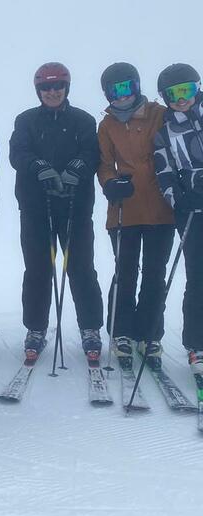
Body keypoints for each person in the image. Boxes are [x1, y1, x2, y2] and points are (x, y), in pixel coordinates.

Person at [9, 62, 105, 360]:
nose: (52, 92)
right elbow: (18, 153)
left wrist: (78, 167)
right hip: (36, 207)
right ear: (39, 91)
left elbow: (92, 152)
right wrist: (40, 169)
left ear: (67, 88)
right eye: (46, 88)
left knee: (80, 268)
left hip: (75, 207)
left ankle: (90, 328)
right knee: (38, 269)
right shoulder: (26, 120)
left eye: (58, 87)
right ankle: (36, 328)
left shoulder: (83, 120)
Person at [97, 63, 174, 370]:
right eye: (114, 91)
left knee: (155, 273)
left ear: (137, 86)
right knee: (125, 271)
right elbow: (103, 164)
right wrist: (109, 183)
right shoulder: (106, 125)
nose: (121, 96)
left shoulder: (159, 114)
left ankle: (149, 334)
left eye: (126, 88)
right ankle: (121, 333)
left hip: (160, 208)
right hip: (124, 209)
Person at [153, 63, 203, 374]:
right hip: (191, 211)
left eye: (186, 90)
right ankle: (197, 344)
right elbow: (164, 173)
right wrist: (180, 197)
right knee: (198, 277)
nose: (181, 99)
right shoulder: (165, 132)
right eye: (174, 94)